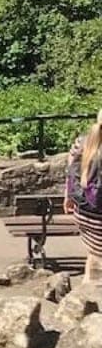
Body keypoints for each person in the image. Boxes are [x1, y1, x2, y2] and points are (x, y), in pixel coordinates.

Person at [64, 110, 102, 283]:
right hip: (99, 220)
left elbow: (70, 170)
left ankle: (84, 293)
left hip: (83, 214)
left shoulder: (82, 142)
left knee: (93, 254)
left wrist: (68, 198)